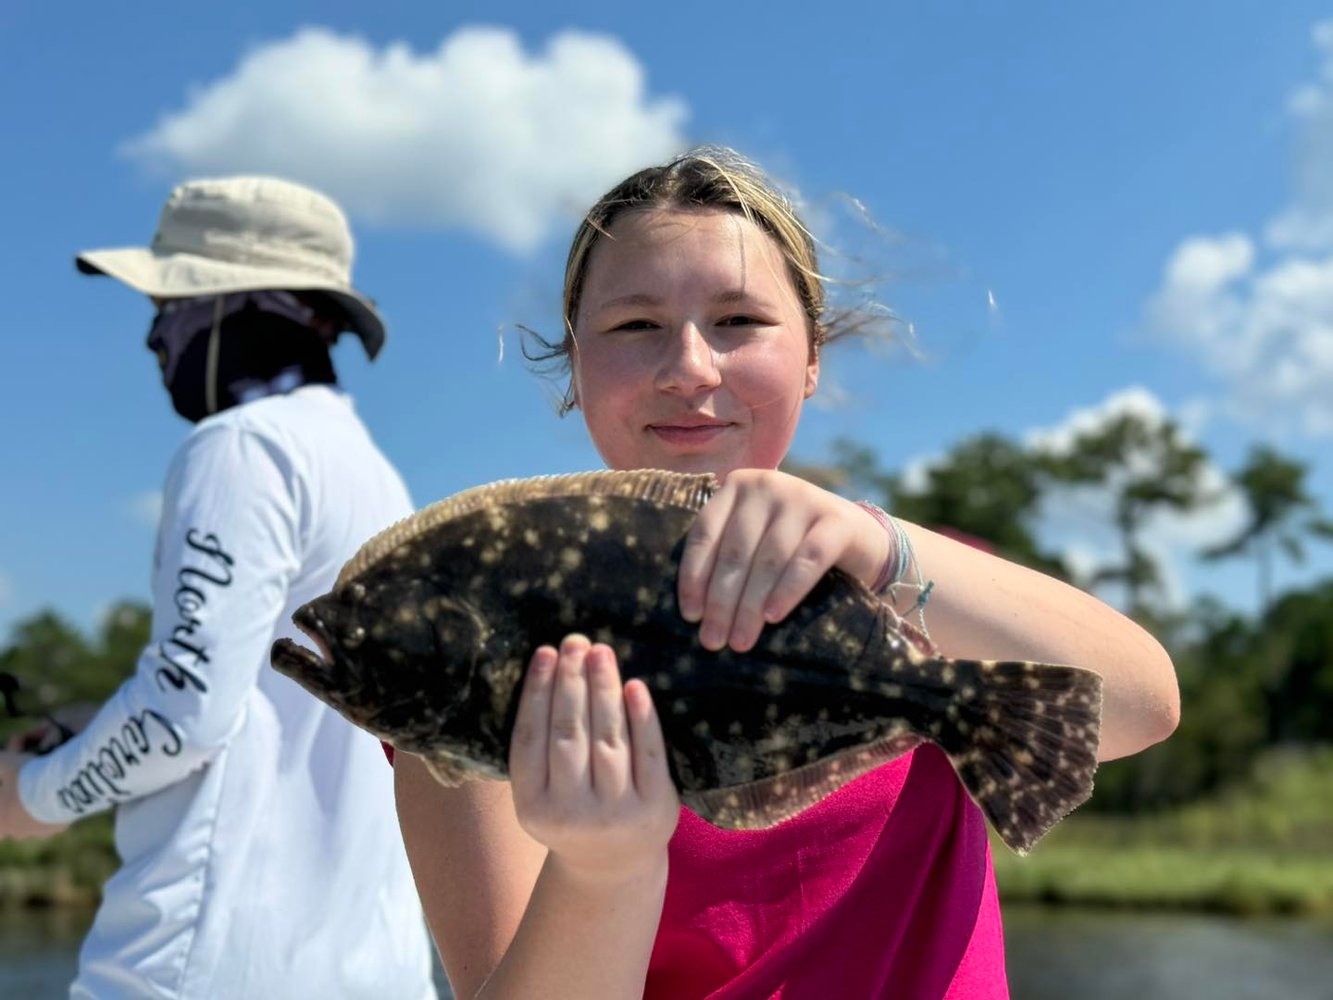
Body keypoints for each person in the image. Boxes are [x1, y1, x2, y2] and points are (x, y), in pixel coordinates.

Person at [392, 148, 1181, 999]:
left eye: (738, 321)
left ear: (812, 356)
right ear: (574, 365)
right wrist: (601, 872)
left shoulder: (916, 593)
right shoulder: (484, 642)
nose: (690, 366)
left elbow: (1140, 706)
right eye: (634, 327)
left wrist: (875, 543)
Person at [0, 176, 438, 999]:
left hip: (199, 970)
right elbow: (256, 703)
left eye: (172, 302)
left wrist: (31, 799)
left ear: (248, 306)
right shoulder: (372, 475)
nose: (154, 335)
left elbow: (182, 717)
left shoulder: (241, 447)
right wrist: (91, 723)